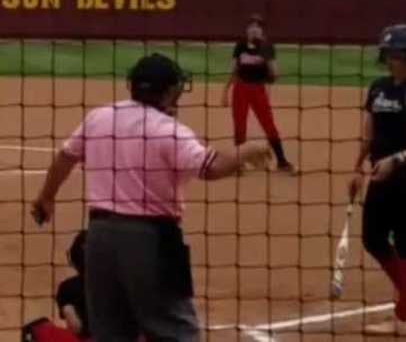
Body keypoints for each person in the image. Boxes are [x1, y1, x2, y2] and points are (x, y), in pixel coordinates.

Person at [31, 53, 272, 342]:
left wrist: (46, 197)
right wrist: (246, 150)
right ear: (170, 90)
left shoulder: (101, 116)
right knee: (174, 330)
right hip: (150, 240)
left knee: (111, 331)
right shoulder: (168, 130)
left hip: (99, 238)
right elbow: (212, 168)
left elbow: (65, 158)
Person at [348, 25, 406, 336]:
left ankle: (402, 319)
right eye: (388, 52)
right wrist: (356, 169)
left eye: (396, 53)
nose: (390, 58)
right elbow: (368, 134)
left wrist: (397, 159)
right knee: (372, 238)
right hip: (379, 176)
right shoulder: (378, 88)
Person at [221, 14, 296, 174]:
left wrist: (271, 71)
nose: (254, 28)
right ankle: (238, 164)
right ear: (247, 29)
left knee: (269, 125)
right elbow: (234, 70)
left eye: (257, 26)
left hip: (258, 89)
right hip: (240, 89)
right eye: (251, 25)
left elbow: (275, 73)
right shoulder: (240, 46)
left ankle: (281, 162)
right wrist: (225, 91)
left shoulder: (267, 48)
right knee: (239, 126)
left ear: (262, 31)